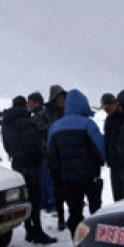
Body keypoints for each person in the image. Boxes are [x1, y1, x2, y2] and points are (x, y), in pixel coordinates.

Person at [47, 89, 105, 238]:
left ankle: (77, 239)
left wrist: (57, 174)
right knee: (95, 209)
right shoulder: (88, 125)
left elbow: (51, 155)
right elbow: (100, 149)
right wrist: (101, 162)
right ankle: (97, 237)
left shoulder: (55, 127)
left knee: (74, 211)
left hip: (68, 178)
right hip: (89, 176)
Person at [1, 96, 56, 244]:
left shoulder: (6, 122)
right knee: (34, 199)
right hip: (30, 165)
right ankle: (37, 231)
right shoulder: (25, 121)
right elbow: (32, 145)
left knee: (25, 198)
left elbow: (6, 144)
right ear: (24, 105)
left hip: (17, 164)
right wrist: (42, 156)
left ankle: (29, 230)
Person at [40, 85, 68, 229]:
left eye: (63, 98)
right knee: (55, 185)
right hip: (51, 154)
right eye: (59, 98)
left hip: (66, 155)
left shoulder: (68, 112)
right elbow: (39, 130)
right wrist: (56, 126)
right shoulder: (45, 113)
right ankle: (58, 214)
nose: (62, 101)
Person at [100, 93, 124, 202]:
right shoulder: (108, 120)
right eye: (105, 108)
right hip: (114, 164)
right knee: (118, 195)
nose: (107, 110)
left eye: (108, 107)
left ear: (115, 104)